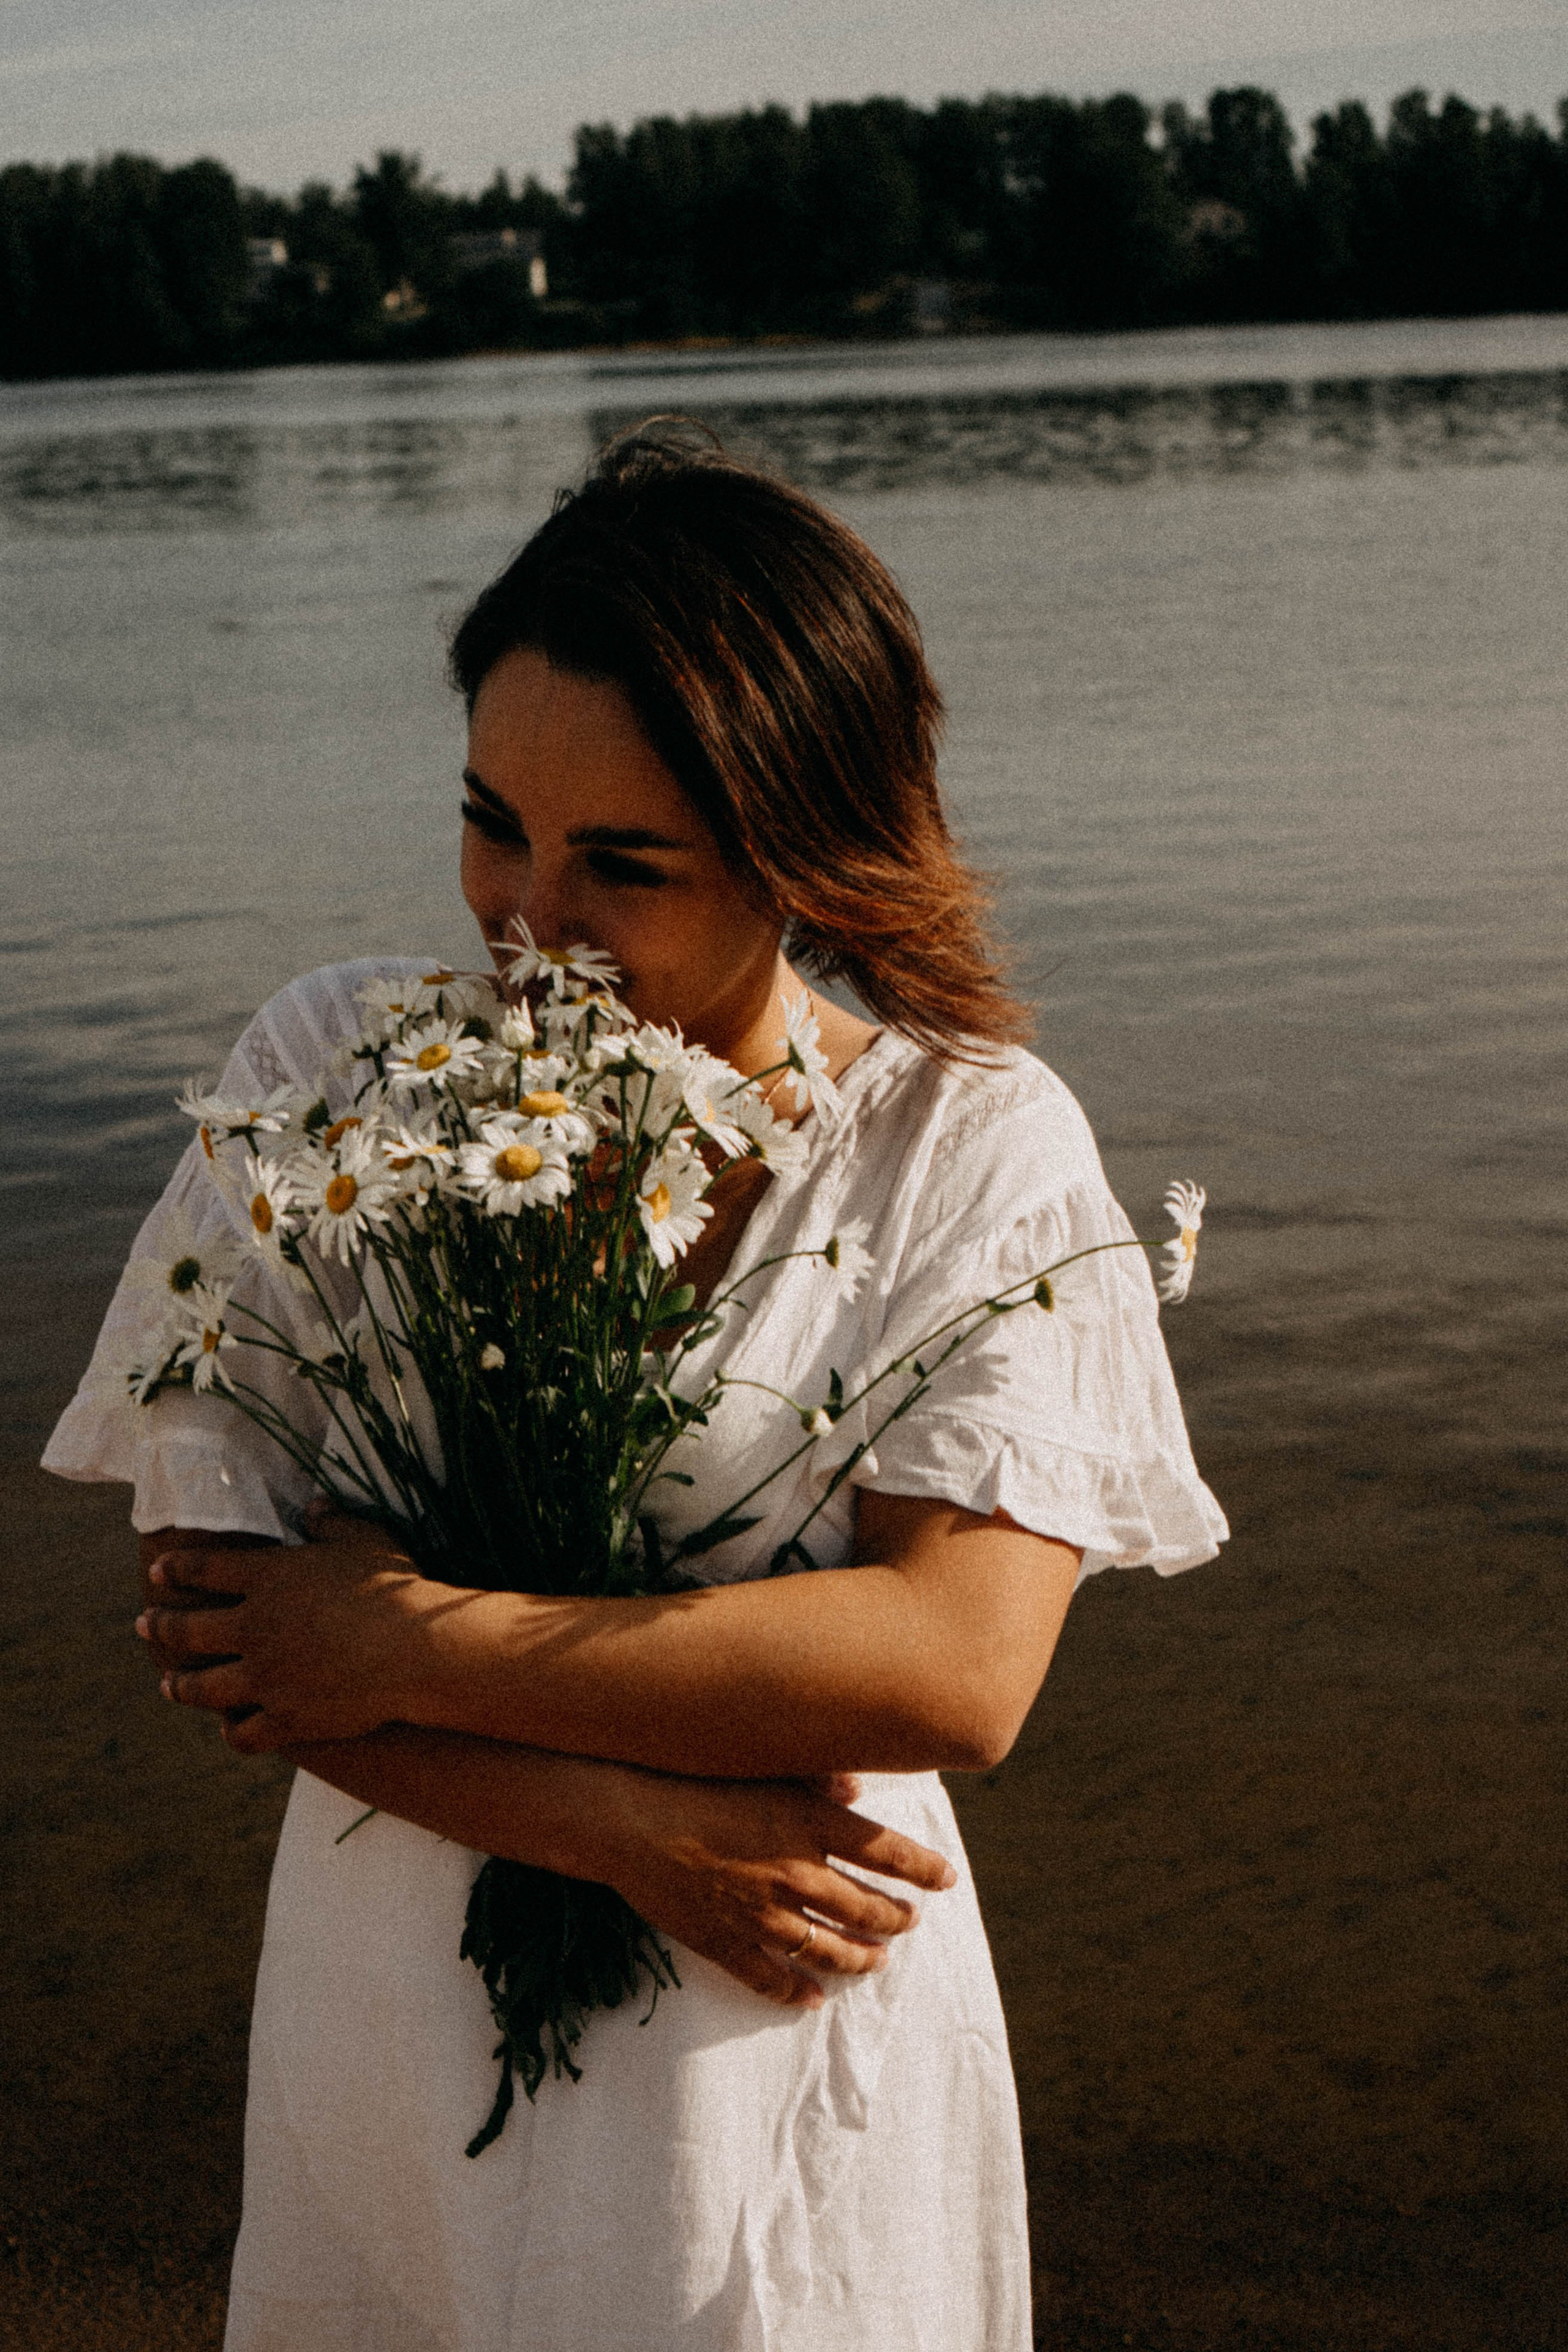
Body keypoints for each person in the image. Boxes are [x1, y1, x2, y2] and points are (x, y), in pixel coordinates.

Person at [43, 426, 1226, 2352]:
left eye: (625, 862)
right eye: (492, 819)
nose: (526, 918)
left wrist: (410, 1631)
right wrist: (623, 1830)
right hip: (408, 2000)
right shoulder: (341, 1071)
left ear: (797, 854)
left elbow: (956, 1669)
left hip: (772, 2034)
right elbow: (237, 1634)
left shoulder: (963, 1147)